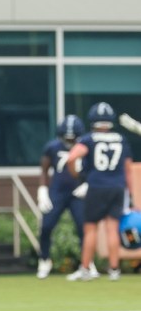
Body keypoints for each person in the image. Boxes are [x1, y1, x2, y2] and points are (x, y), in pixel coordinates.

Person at [66, 102, 134, 281]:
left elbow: (72, 157)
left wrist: (78, 175)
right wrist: (131, 193)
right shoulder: (121, 139)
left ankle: (85, 268)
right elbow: (127, 168)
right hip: (117, 187)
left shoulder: (89, 139)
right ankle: (114, 270)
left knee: (90, 229)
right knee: (112, 229)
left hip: (97, 186)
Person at [36, 115, 99, 280]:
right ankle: (44, 259)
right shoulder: (52, 147)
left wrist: (87, 184)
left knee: (83, 227)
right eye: (67, 137)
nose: (69, 141)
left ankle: (87, 262)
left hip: (78, 190)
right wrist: (42, 190)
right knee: (46, 225)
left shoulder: (86, 146)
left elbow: (94, 167)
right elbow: (44, 169)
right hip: (57, 190)